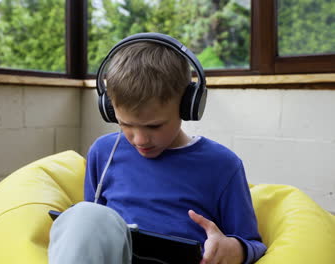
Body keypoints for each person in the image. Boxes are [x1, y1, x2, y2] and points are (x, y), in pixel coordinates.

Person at [48, 33, 267, 264]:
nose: (140, 139)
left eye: (154, 126)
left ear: (187, 106)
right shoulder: (103, 152)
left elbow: (253, 244)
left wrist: (233, 249)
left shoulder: (223, 165)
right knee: (83, 214)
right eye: (125, 124)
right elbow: (91, 234)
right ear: (110, 111)